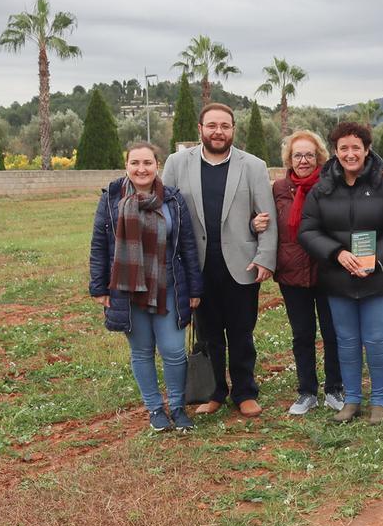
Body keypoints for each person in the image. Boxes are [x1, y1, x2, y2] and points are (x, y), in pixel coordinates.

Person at [162, 103, 277, 418]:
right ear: (199, 129)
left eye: (225, 126)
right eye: (212, 125)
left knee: (242, 332)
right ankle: (214, 392)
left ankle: (244, 392)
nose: (218, 131)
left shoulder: (253, 166)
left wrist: (265, 257)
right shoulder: (176, 164)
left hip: (242, 264)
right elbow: (165, 214)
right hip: (197, 267)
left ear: (233, 130)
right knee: (208, 334)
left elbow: (266, 217)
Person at [298, 122, 383, 424]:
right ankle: (351, 400)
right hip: (338, 278)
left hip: (380, 279)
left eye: (356, 147)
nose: (350, 154)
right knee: (346, 341)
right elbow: (308, 230)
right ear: (335, 152)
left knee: (377, 339)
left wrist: (378, 260)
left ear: (366, 150)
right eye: (343, 148)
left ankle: (379, 401)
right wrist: (336, 253)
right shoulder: (322, 190)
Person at [89, 142, 203, 432]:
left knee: (173, 350)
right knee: (141, 351)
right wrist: (99, 288)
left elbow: (187, 246)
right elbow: (100, 245)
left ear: (157, 165)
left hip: (169, 287)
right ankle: (155, 409)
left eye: (148, 163)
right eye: (135, 163)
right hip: (127, 290)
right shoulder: (112, 198)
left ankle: (177, 408)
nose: (141, 169)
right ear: (126, 165)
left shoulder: (174, 200)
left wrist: (194, 289)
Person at [271, 130, 345, 415]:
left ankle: (335, 388)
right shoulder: (278, 189)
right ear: (289, 159)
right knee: (302, 333)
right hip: (292, 272)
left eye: (309, 155)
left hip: (327, 271)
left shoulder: (332, 186)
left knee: (332, 332)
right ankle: (306, 392)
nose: (303, 160)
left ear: (320, 158)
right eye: (298, 155)